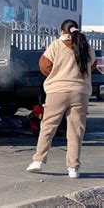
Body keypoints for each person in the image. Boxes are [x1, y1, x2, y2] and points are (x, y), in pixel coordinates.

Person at [27, 19, 97, 179]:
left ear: (61, 31)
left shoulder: (56, 45)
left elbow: (44, 66)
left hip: (57, 91)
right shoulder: (86, 46)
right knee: (76, 131)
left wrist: (58, 73)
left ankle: (38, 160)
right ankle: (73, 168)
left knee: (48, 126)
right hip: (81, 93)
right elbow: (92, 66)